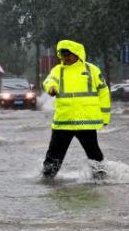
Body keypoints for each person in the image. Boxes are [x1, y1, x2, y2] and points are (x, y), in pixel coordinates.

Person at [41, 40, 111, 179]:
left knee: (94, 154)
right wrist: (51, 88)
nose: (65, 57)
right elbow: (49, 81)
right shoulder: (58, 70)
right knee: (54, 155)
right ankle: (47, 179)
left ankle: (102, 179)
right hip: (64, 121)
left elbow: (104, 93)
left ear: (77, 54)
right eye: (62, 54)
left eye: (68, 54)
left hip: (86, 122)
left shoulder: (91, 70)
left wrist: (105, 117)